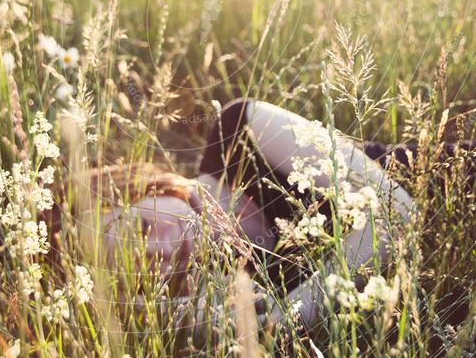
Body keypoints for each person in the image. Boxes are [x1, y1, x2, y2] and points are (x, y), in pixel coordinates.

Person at [97, 98, 416, 331]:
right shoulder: (230, 291)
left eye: (141, 229)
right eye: (141, 267)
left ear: (145, 190)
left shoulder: (238, 131)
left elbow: (398, 212)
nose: (163, 251)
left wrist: (287, 315)